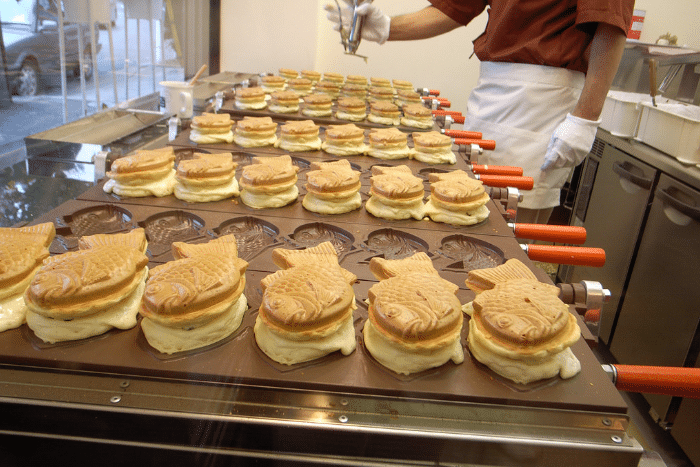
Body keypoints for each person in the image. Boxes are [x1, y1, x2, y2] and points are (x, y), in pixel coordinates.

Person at [326, 0, 634, 224]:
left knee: (512, 230)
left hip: (540, 100)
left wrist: (585, 117)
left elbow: (610, 25)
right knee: (464, 209)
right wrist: (387, 28)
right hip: (489, 92)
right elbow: (453, 7)